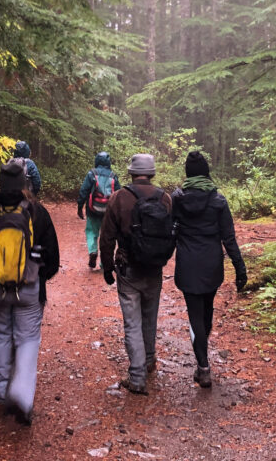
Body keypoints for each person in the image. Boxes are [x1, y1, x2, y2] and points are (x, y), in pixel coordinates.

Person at [0, 160, 60, 425]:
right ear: (24, 184)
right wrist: (39, 276)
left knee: (0, 338)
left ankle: (1, 392)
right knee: (28, 340)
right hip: (28, 290)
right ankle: (22, 397)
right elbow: (52, 259)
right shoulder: (37, 213)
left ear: (0, 183)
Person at [172, 150, 247, 388]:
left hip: (187, 263)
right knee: (207, 311)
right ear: (206, 173)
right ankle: (202, 361)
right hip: (212, 264)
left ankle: (203, 366)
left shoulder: (177, 198)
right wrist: (239, 266)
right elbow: (229, 238)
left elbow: (170, 232)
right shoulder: (218, 201)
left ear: (187, 173)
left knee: (195, 314)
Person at [99, 153, 172, 395]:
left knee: (132, 324)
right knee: (150, 317)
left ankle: (137, 377)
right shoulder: (165, 198)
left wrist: (107, 267)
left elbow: (107, 236)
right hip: (154, 269)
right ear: (152, 173)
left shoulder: (119, 198)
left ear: (130, 173)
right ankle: (150, 361)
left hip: (128, 268)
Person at [76, 151, 121, 270]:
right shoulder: (113, 176)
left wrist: (80, 206)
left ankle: (93, 251)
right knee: (107, 236)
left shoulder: (92, 173)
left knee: (91, 231)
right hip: (108, 211)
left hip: (93, 209)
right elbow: (118, 194)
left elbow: (84, 190)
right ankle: (104, 263)